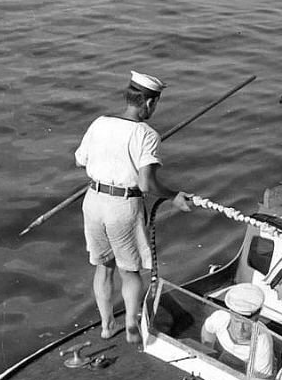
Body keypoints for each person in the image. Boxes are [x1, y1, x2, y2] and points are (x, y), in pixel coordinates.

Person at [75, 71, 194, 344]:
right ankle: (131, 328)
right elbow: (147, 184)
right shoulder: (147, 135)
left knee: (103, 267)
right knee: (130, 271)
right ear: (150, 103)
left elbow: (80, 160)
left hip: (93, 201)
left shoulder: (99, 123)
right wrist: (174, 196)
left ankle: (106, 326)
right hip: (123, 206)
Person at [200, 283, 275, 377]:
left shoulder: (263, 341)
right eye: (236, 321)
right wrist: (208, 355)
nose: (240, 329)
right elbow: (207, 330)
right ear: (230, 313)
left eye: (246, 324)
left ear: (256, 318)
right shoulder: (219, 317)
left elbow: (260, 378)